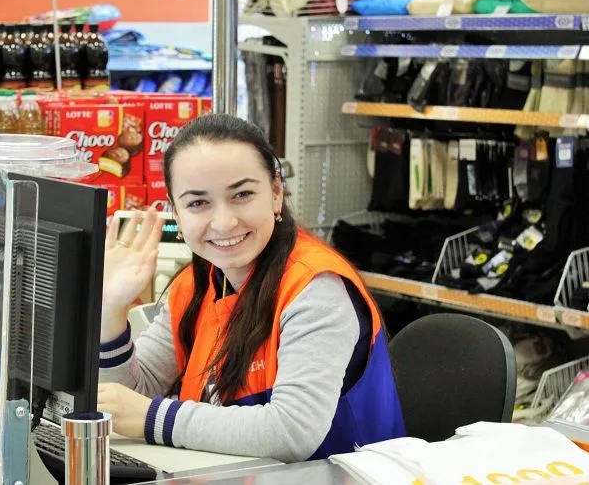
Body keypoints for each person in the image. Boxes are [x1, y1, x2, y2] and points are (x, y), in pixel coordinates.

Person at [97, 114, 406, 462]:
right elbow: (126, 400)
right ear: (177, 214)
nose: (224, 222)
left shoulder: (316, 287)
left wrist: (154, 418)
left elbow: (292, 432)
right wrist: (110, 312)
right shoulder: (194, 286)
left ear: (276, 193)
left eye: (242, 194)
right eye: (197, 203)